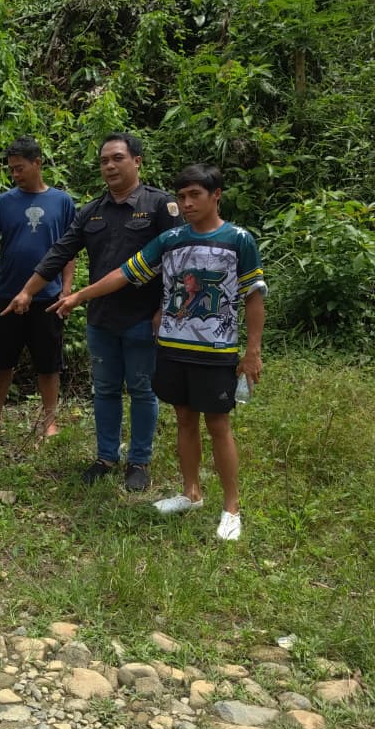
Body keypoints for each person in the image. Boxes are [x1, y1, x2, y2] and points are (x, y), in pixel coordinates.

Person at [54, 164, 266, 541]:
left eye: (195, 195)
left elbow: (254, 296)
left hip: (216, 351)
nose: (186, 204)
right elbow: (125, 272)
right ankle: (191, 493)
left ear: (216, 195)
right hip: (171, 347)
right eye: (181, 196)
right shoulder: (171, 241)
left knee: (218, 425)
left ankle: (232, 508)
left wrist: (252, 351)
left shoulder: (238, 240)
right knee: (184, 419)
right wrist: (80, 296)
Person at [2, 133, 179, 491]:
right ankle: (106, 457)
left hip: (145, 318)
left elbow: (179, 261)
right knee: (106, 390)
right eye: (104, 161)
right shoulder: (92, 211)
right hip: (102, 319)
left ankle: (139, 462)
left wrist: (165, 308)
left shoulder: (160, 206)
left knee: (143, 390)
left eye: (117, 158)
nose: (110, 166)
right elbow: (59, 253)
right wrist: (26, 292)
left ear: (137, 161)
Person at [0, 137, 76, 439]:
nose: (15, 175)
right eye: (11, 170)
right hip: (7, 294)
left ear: (37, 163)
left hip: (47, 298)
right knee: (1, 361)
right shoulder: (3, 203)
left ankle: (49, 421)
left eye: (20, 168)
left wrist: (67, 291)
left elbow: (69, 249)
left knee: (49, 363)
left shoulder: (62, 202)